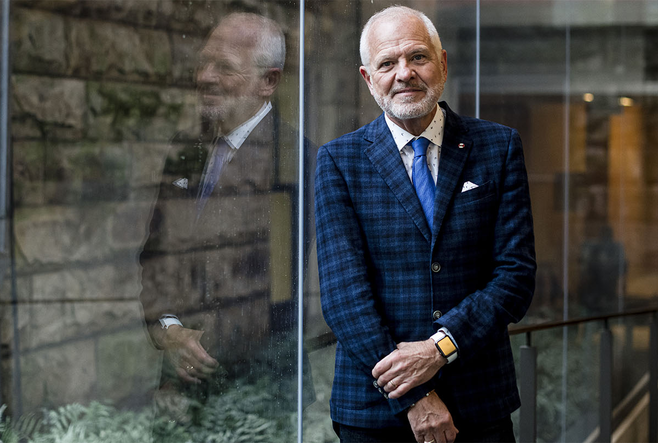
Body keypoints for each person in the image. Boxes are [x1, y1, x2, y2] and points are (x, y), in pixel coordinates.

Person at [314, 6, 536, 443]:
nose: (404, 73)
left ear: (443, 63)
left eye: (417, 57)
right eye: (387, 63)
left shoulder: (499, 146)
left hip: (479, 402)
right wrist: (414, 396)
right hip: (375, 413)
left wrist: (441, 348)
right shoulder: (339, 161)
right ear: (367, 78)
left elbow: (516, 277)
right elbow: (344, 297)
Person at [139, 12, 312, 422]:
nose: (205, 77)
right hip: (177, 388)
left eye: (225, 67)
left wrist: (195, 352)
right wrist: (169, 333)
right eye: (203, 62)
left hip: (257, 396)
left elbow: (270, 287)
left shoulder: (296, 160)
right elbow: (156, 256)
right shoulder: (186, 148)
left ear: (268, 82)